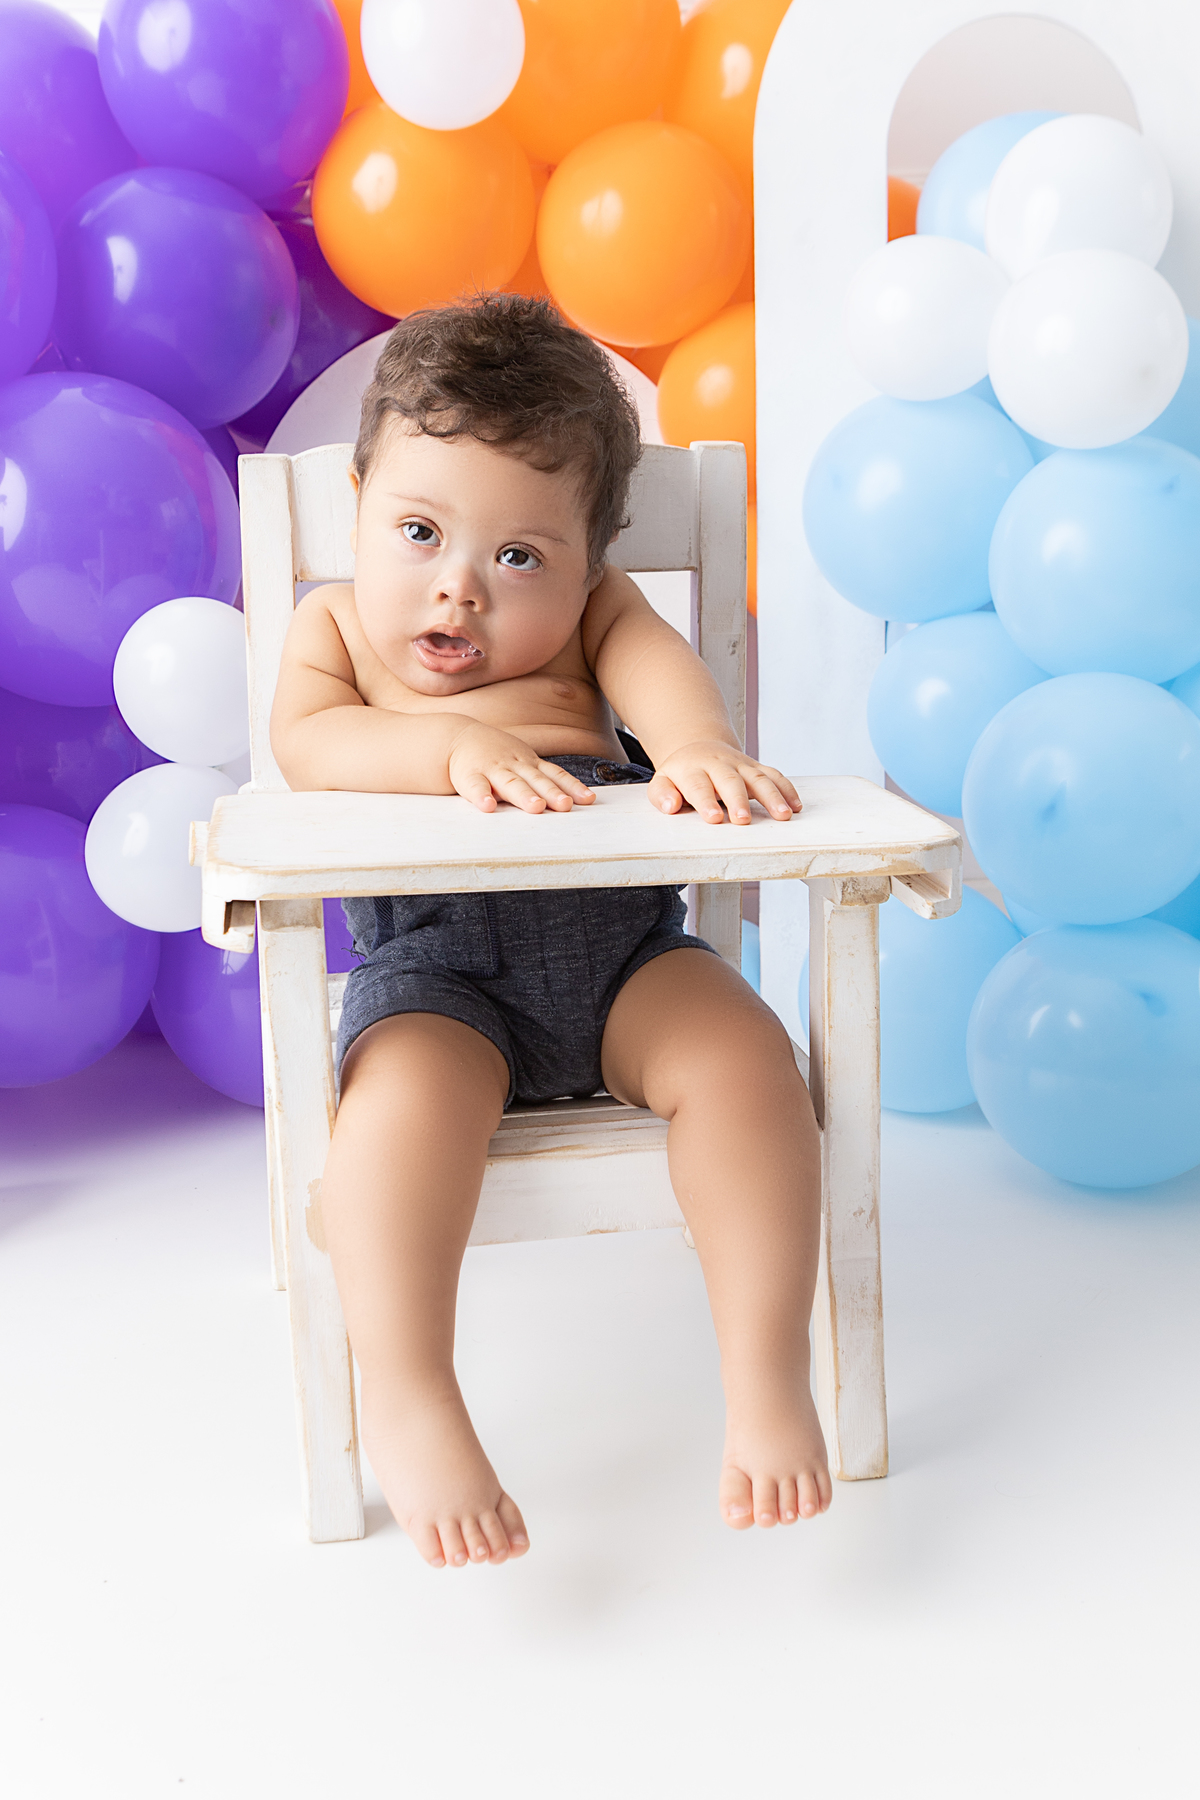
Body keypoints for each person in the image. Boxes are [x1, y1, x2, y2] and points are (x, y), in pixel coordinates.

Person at [271, 294, 830, 1570]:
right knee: (394, 1122)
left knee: (748, 1065)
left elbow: (663, 679)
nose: (458, 587)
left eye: (520, 556)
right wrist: (445, 746)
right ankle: (409, 1391)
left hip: (624, 956)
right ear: (360, 501)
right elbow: (309, 745)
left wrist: (694, 747)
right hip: (439, 976)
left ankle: (766, 1369)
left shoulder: (598, 616)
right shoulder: (338, 629)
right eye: (419, 531)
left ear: (588, 559)